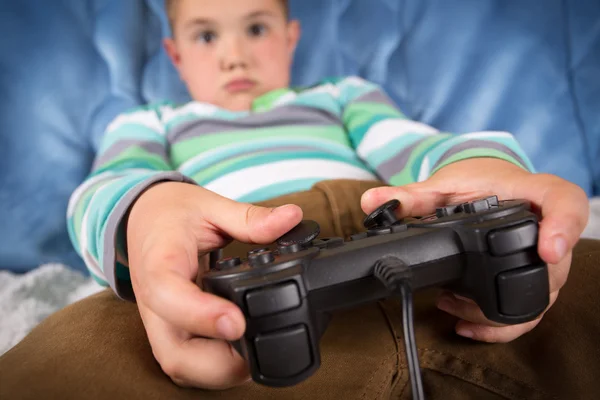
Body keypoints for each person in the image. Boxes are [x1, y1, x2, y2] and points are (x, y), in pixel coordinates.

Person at [1, 0, 597, 399]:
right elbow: (104, 189)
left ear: (291, 38)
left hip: (406, 239)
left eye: (256, 28)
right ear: (175, 55)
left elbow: (414, 149)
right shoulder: (152, 120)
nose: (234, 55)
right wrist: (145, 210)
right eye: (206, 35)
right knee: (56, 367)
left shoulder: (341, 95)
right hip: (235, 271)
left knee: (580, 278)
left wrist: (479, 167)